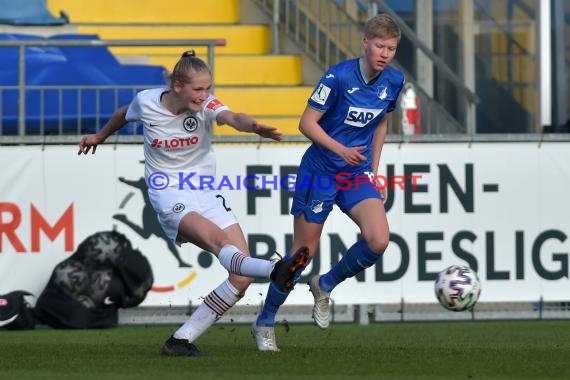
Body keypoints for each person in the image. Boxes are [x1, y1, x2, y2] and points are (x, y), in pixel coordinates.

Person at [78, 50, 309, 356]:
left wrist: (251, 125)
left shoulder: (206, 106)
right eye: (198, 89)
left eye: (208, 88)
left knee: (241, 276)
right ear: (177, 86)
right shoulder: (146, 102)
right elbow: (123, 113)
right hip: (169, 193)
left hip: (205, 191)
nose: (205, 96)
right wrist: (100, 136)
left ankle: (180, 341)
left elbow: (231, 117)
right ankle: (276, 268)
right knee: (219, 242)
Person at [251, 13, 404, 351]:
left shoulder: (393, 81)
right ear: (365, 43)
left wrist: (374, 171)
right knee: (302, 254)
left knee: (378, 239)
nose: (384, 53)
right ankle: (264, 322)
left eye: (391, 48)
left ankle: (326, 283)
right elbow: (306, 123)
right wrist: (340, 149)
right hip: (319, 172)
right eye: (379, 46)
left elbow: (380, 125)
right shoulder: (338, 77)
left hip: (353, 174)